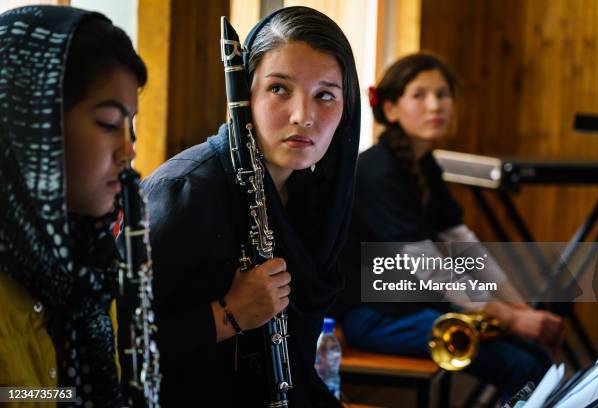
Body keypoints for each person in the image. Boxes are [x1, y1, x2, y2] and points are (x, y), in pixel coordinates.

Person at [142, 6, 360, 407]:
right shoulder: (184, 192)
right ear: (246, 93)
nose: (303, 116)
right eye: (280, 89)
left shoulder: (314, 198)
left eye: (325, 95)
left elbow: (294, 368)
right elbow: (113, 343)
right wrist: (228, 314)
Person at [334, 53, 564, 401]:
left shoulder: (424, 164)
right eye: (420, 95)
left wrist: (522, 311)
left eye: (443, 94)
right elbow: (430, 269)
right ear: (392, 109)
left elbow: (464, 246)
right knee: (519, 365)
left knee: (533, 357)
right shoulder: (378, 171)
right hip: (373, 315)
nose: (435, 105)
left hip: (414, 305)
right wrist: (511, 319)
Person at [0, 6, 147, 407]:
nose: (128, 150)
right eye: (107, 123)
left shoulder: (89, 267)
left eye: (130, 126)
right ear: (31, 127)